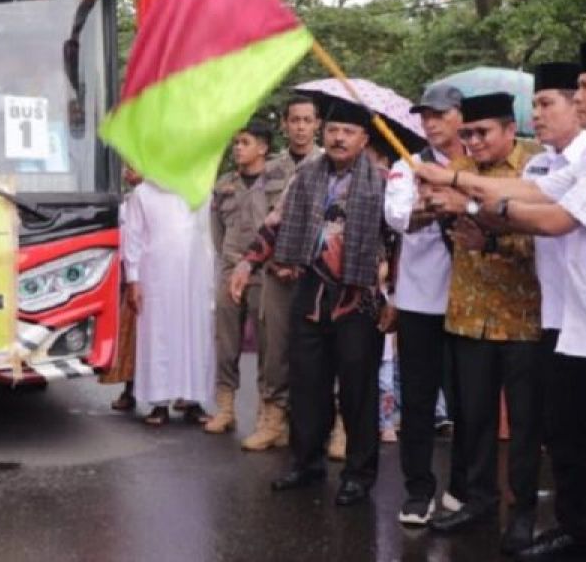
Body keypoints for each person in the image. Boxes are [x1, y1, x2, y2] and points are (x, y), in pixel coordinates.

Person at [420, 40, 586, 561]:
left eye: (585, 87)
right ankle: (585, 537)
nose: (577, 97)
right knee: (574, 442)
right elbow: (542, 189)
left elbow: (556, 218)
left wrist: (472, 197)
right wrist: (455, 178)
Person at [231, 99, 389, 506]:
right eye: (333, 130)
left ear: (363, 139)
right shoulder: (305, 176)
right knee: (307, 385)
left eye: (348, 132)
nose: (338, 138)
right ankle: (307, 464)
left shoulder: (384, 182)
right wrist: (247, 264)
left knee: (357, 390)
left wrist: (394, 288)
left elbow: (400, 239)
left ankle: (359, 473)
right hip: (311, 291)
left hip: (358, 297)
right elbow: (275, 223)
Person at [423, 92, 544, 554]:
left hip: (523, 319)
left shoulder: (535, 170)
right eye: (467, 133)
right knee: (472, 418)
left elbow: (546, 240)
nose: (472, 141)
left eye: (482, 133)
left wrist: (484, 231)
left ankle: (524, 511)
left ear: (510, 130)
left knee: (526, 423)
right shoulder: (460, 170)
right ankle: (478, 500)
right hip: (469, 316)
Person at [515, 62, 586, 561]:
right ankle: (574, 528)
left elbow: (552, 215)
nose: (536, 114)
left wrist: (480, 203)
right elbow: (523, 214)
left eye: (548, 104)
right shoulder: (538, 163)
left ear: (577, 107)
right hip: (552, 316)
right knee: (561, 432)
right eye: (535, 104)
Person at [383, 80, 467, 526]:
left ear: (461, 117)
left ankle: (463, 487)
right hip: (420, 303)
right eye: (426, 115)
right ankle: (418, 489)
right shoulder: (407, 165)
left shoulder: (480, 166)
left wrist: (461, 196)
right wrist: (431, 206)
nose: (431, 123)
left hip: (471, 302)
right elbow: (397, 218)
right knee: (416, 401)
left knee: (468, 403)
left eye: (440, 114)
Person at [242, 95, 322, 451]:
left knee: (318, 351)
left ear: (317, 124)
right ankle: (272, 418)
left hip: (317, 273)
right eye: (295, 120)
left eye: (308, 120)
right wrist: (267, 262)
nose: (301, 127)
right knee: (274, 349)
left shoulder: (329, 164)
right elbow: (263, 221)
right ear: (285, 125)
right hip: (275, 272)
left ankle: (329, 423)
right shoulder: (270, 170)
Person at [205, 120, 290, 437]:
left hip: (266, 272)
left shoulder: (282, 180)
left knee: (270, 348)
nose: (237, 148)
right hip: (230, 268)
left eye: (245, 142)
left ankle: (268, 415)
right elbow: (217, 230)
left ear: (263, 148)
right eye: (236, 142)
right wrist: (231, 260)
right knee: (226, 343)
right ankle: (225, 407)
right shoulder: (225, 183)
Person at [123, 177, 215, 426]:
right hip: (155, 277)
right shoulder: (142, 193)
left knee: (193, 338)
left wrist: (211, 279)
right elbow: (132, 236)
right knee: (158, 337)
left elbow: (207, 235)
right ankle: (159, 403)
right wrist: (133, 278)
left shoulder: (199, 188)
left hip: (193, 277)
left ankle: (193, 401)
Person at [100, 166, 143, 411]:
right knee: (129, 337)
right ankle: (130, 389)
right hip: (126, 275)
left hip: (150, 276)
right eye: (124, 166)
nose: (127, 171)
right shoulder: (124, 201)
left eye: (133, 166)